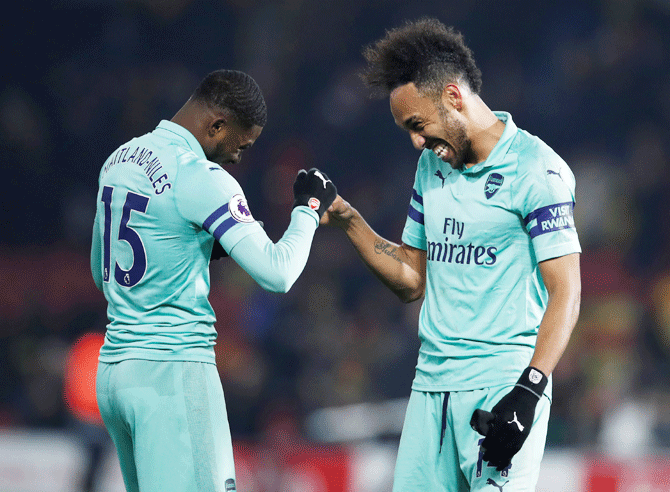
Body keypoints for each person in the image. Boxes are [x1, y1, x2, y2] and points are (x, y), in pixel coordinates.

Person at [322, 18, 581, 491]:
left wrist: (529, 389)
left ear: (453, 97)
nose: (416, 142)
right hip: (429, 390)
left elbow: (567, 292)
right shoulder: (430, 168)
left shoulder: (537, 170)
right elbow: (411, 279)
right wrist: (349, 221)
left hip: (502, 387)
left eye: (418, 126)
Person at [90, 69, 336, 492]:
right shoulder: (201, 177)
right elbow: (278, 272)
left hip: (116, 376)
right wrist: (308, 209)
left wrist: (194, 250)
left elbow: (102, 272)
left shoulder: (119, 160)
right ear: (217, 125)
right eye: (241, 144)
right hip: (173, 374)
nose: (239, 158)